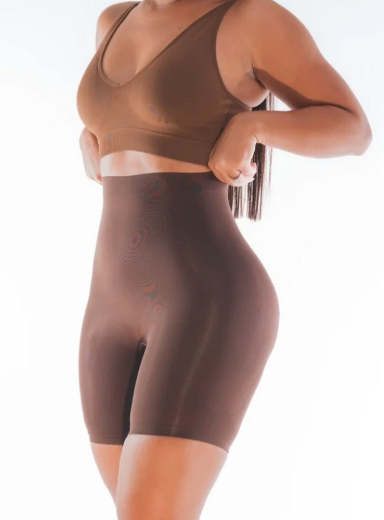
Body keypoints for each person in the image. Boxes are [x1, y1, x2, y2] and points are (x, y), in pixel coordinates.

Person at [75, 0, 372, 518]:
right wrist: (90, 136)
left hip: (205, 301)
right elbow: (131, 121)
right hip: (108, 308)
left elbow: (353, 128)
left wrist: (254, 128)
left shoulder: (249, 19)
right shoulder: (113, 21)